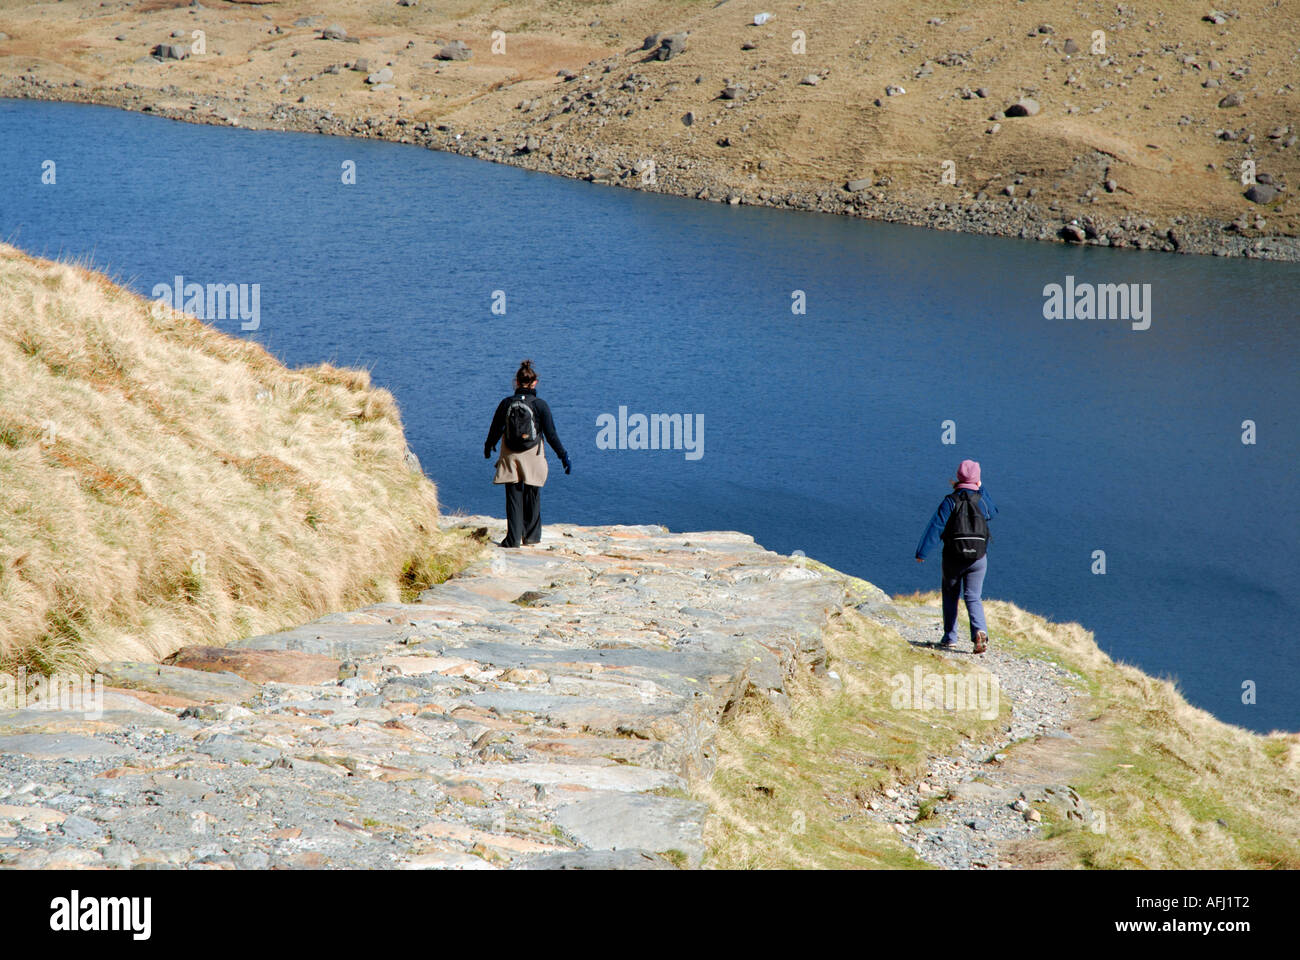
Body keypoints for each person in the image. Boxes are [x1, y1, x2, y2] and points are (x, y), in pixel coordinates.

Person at [484, 359, 570, 548]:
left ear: (516, 382)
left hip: (510, 454)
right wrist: (563, 456)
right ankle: (531, 537)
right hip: (533, 454)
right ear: (534, 383)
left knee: (513, 497)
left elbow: (495, 429)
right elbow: (551, 434)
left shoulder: (506, 403)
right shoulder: (540, 405)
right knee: (532, 494)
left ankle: (512, 539)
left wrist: (488, 446)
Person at [914, 459, 998, 653]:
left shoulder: (950, 501)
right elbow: (993, 512)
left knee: (951, 596)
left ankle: (950, 637)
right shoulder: (982, 500)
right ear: (977, 479)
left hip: (953, 557)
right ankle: (979, 630)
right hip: (978, 558)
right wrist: (981, 488)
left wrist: (922, 552)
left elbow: (935, 527)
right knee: (973, 597)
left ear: (958, 477)